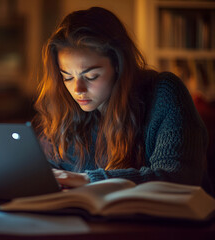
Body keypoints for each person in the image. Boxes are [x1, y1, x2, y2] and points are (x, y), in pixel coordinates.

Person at [33, 7, 213, 195]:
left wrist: (88, 179)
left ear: (118, 66)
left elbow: (176, 177)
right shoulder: (66, 110)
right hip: (89, 221)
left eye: (92, 76)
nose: (77, 90)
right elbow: (50, 172)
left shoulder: (164, 92)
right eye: (67, 77)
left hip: (172, 222)